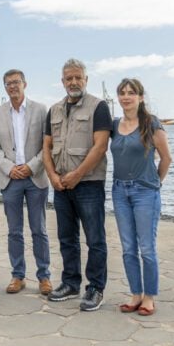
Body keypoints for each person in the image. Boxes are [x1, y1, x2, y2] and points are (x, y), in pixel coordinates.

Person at [42, 58, 111, 311]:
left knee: (95, 239)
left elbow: (101, 146)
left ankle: (95, 288)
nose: (73, 82)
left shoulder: (98, 107)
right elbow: (46, 147)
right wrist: (52, 176)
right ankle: (70, 283)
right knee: (66, 238)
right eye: (68, 78)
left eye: (77, 77)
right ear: (62, 82)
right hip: (61, 186)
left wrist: (78, 174)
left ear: (85, 80)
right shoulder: (55, 110)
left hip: (89, 185)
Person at [111, 78, 172, 316]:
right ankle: (135, 294)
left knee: (147, 248)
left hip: (145, 192)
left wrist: (154, 184)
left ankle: (149, 297)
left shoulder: (151, 123)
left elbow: (166, 158)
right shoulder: (114, 125)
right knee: (128, 248)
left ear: (140, 97)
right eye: (122, 93)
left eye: (131, 93)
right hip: (119, 191)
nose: (126, 97)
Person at [0, 69, 51, 295]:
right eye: (8, 84)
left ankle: (44, 277)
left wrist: (32, 166)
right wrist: (9, 168)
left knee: (39, 230)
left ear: (25, 83)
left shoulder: (41, 110)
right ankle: (18, 276)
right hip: (10, 179)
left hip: (35, 178)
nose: (12, 86)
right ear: (5, 87)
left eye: (16, 82)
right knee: (14, 231)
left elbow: (48, 145)